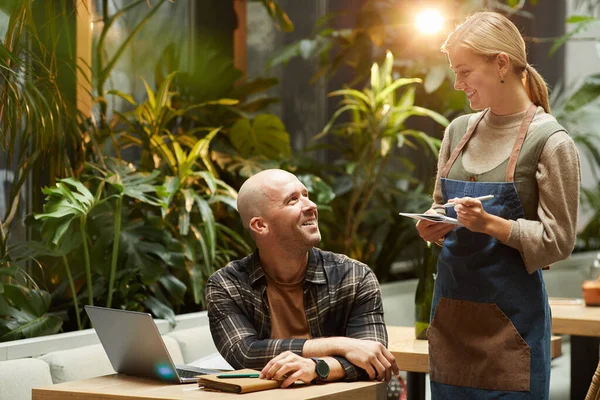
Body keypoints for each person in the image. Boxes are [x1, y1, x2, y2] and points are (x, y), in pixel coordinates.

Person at [415, 11, 580, 399]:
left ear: (501, 64)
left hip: (512, 334)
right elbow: (440, 207)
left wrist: (492, 224)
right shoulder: (458, 131)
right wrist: (432, 227)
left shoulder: (551, 143)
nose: (458, 84)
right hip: (452, 326)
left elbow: (559, 240)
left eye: (465, 71)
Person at [205, 169, 399, 388]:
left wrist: (316, 367)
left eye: (306, 195)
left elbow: (373, 359)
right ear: (260, 225)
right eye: (293, 200)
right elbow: (245, 352)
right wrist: (341, 345)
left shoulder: (354, 276)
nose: (311, 205)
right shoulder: (227, 285)